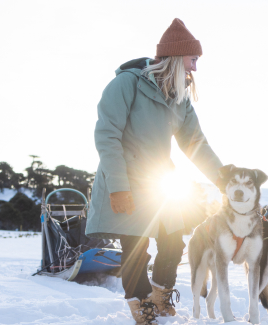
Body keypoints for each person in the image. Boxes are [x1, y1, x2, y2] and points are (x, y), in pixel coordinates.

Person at [86, 18, 223, 325]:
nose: (196, 68)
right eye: (193, 59)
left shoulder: (179, 98)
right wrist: (119, 187)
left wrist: (223, 178)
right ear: (176, 57)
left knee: (174, 241)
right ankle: (141, 306)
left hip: (160, 186)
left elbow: (195, 144)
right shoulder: (126, 84)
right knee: (136, 248)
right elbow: (107, 136)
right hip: (126, 180)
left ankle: (161, 295)